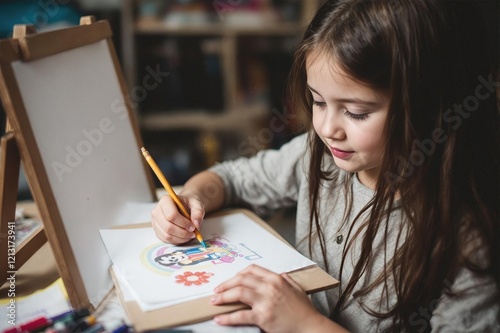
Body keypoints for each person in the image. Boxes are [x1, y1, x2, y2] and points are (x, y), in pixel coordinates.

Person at [152, 0, 500, 331]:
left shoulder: (469, 242)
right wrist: (191, 198)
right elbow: (230, 179)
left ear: (429, 106)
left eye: (356, 112)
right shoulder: (318, 156)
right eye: (318, 101)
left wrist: (306, 325)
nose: (328, 129)